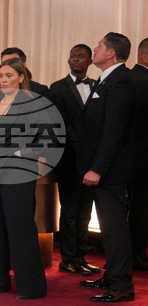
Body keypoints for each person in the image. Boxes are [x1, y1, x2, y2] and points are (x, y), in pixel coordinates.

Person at [0, 58, 62, 299]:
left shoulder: (33, 103)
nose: (3, 80)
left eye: (8, 75)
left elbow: (49, 138)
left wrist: (24, 152)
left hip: (18, 171)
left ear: (22, 77)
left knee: (20, 227)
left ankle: (31, 287)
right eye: (1, 75)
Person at [77, 33, 137, 302]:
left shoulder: (121, 81)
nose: (95, 49)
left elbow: (114, 131)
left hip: (111, 171)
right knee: (107, 226)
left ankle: (122, 285)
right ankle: (112, 275)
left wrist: (97, 168)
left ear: (111, 53)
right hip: (103, 168)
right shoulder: (108, 79)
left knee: (114, 228)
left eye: (99, 45)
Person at [47, 44, 100, 276]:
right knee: (69, 209)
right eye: (73, 56)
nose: (76, 60)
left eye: (81, 57)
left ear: (90, 61)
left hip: (92, 160)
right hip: (69, 157)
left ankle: (80, 256)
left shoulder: (98, 86)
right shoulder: (57, 88)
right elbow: (58, 124)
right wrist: (83, 147)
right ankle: (68, 259)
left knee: (85, 211)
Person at [131, 37, 148, 271]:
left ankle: (133, 253)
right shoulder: (142, 80)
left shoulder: (126, 78)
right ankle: (136, 254)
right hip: (142, 157)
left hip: (130, 157)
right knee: (141, 208)